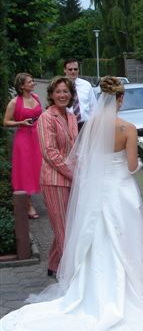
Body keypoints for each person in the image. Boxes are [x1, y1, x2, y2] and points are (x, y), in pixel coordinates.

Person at [0, 76, 143, 331]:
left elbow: (83, 159)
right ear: (120, 99)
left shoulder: (90, 126)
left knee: (96, 237)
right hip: (121, 189)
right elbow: (131, 167)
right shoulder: (127, 129)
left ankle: (92, 289)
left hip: (98, 190)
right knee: (127, 236)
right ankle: (134, 286)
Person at [36, 76, 78, 277]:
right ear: (51, 95)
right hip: (54, 181)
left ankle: (53, 264)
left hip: (71, 178)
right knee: (64, 229)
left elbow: (75, 147)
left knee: (67, 224)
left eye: (66, 91)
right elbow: (50, 152)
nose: (62, 95)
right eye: (58, 92)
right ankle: (71, 274)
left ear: (71, 94)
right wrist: (73, 173)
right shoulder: (46, 117)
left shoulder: (71, 116)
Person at [3, 73, 43, 218]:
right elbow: (5, 122)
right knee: (25, 170)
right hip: (23, 139)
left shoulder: (36, 97)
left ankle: (38, 197)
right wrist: (21, 122)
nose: (33, 83)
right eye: (30, 81)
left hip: (37, 136)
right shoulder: (14, 102)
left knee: (37, 168)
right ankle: (29, 204)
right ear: (22, 86)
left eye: (33, 80)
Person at [63, 58, 97, 131]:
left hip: (85, 125)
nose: (73, 71)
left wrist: (92, 124)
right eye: (70, 69)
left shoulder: (86, 85)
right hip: (66, 125)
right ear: (65, 70)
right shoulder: (60, 86)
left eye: (75, 69)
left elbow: (93, 106)